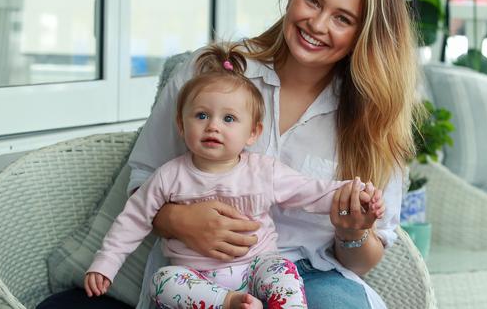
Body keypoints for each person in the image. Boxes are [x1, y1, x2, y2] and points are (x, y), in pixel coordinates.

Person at [37, 0, 419, 308]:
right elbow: (144, 178)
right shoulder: (214, 71)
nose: (317, 24)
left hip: (308, 274)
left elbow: (362, 260)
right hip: (199, 269)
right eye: (312, 0)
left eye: (342, 18)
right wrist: (178, 220)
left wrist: (352, 232)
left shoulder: (373, 119)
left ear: (363, 34)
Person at [83, 44, 385, 309]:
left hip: (257, 267)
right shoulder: (168, 176)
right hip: (199, 279)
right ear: (181, 124)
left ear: (252, 132)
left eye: (228, 119)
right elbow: (132, 220)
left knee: (284, 271)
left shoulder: (262, 171)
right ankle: (229, 304)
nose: (213, 126)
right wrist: (105, 265)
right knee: (163, 282)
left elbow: (310, 192)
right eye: (201, 116)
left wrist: (353, 194)